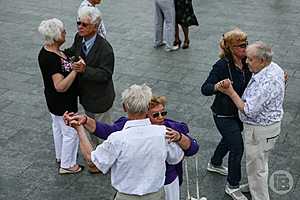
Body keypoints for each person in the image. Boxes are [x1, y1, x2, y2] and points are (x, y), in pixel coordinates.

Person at [64, 95, 199, 200]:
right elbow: (105, 130)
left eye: (163, 113)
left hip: (166, 183)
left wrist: (180, 137)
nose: (161, 118)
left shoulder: (171, 128)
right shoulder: (127, 126)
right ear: (145, 114)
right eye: (156, 114)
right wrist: (86, 120)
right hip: (136, 185)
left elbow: (193, 148)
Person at [218, 41, 285, 200]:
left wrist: (230, 91)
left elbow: (248, 109)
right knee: (261, 162)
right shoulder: (274, 67)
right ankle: (252, 184)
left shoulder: (266, 82)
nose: (246, 61)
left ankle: (260, 196)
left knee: (256, 168)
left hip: (259, 130)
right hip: (270, 128)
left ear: (262, 61)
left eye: (250, 59)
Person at [201, 28, 252, 200]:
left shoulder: (248, 61)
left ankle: (215, 163)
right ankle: (233, 185)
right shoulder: (221, 65)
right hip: (223, 114)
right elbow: (205, 88)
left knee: (229, 140)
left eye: (246, 44)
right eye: (241, 46)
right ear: (230, 48)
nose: (245, 48)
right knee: (237, 147)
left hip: (240, 113)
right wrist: (217, 87)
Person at [64, 6, 115, 166]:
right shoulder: (79, 38)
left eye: (84, 24)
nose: (80, 26)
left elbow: (105, 75)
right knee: (90, 127)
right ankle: (94, 159)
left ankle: (107, 160)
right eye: (78, 23)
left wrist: (85, 70)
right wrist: (57, 53)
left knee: (103, 132)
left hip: (101, 100)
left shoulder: (105, 49)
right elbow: (73, 51)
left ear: (95, 26)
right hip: (86, 97)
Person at [37, 18, 85, 174]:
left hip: (53, 101)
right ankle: (68, 165)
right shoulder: (50, 58)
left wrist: (71, 65)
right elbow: (60, 86)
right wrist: (75, 71)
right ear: (56, 36)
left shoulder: (50, 50)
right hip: (62, 102)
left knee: (58, 128)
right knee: (71, 132)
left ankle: (60, 156)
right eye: (63, 31)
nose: (65, 33)